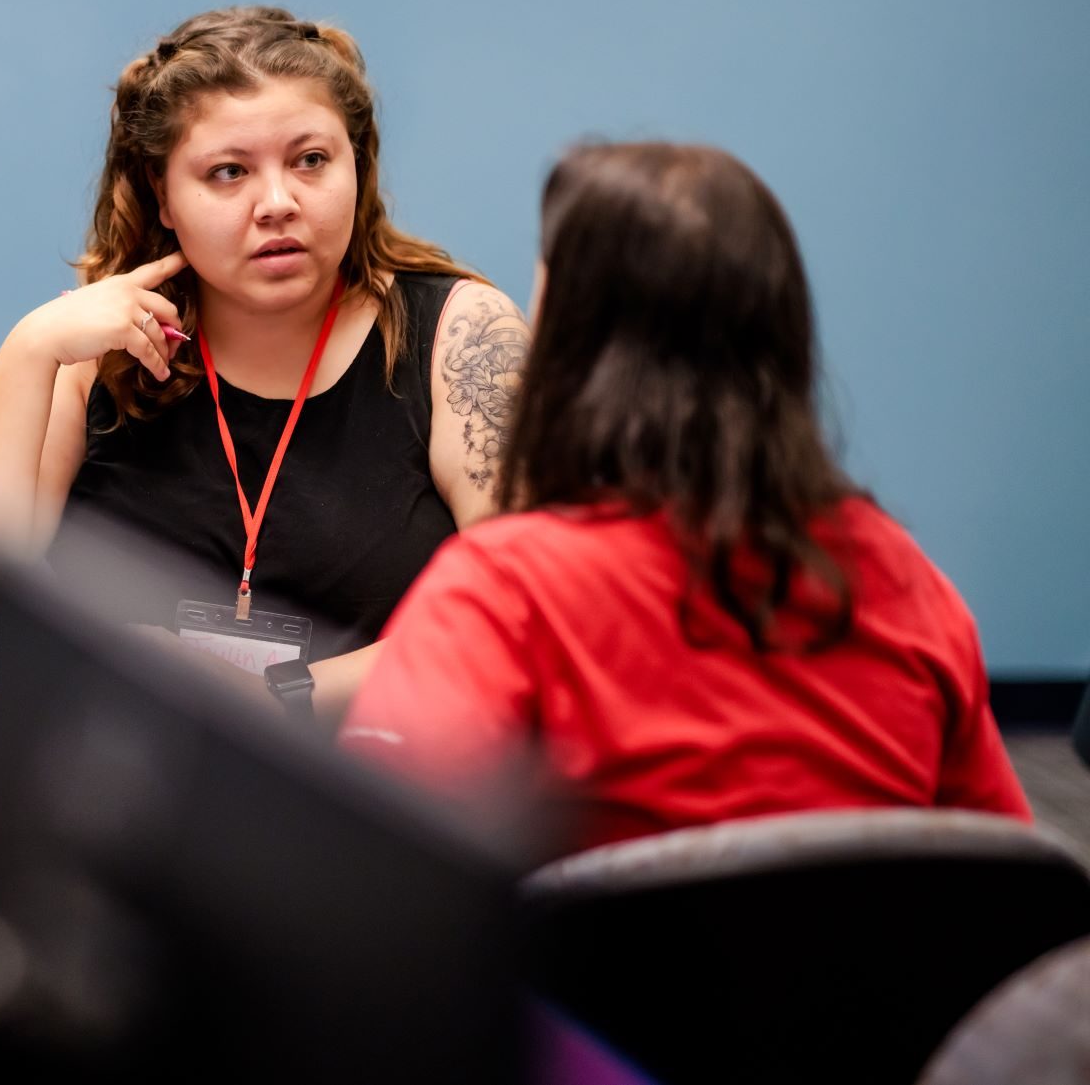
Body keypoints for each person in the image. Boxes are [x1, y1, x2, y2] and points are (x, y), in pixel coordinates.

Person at [342, 141, 1031, 849]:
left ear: (571, 343)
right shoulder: (901, 579)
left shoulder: (506, 593)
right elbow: (1012, 889)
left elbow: (369, 872)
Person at [0, 6, 527, 717]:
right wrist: (31, 346)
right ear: (162, 195)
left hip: (377, 779)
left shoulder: (462, 336)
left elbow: (523, 614)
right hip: (127, 775)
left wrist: (280, 697)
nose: (277, 203)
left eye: (312, 161)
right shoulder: (103, 342)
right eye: (228, 172)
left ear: (359, 163)